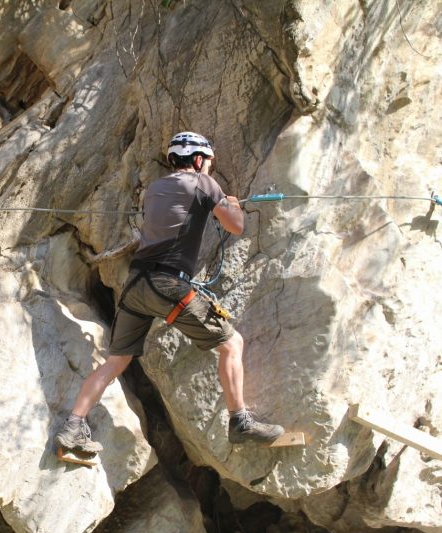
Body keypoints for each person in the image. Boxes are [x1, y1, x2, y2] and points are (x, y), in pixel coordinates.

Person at [55, 132, 284, 454]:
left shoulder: (154, 189)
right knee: (232, 344)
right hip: (167, 285)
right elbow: (235, 226)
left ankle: (73, 425)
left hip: (136, 285)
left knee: (116, 360)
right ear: (199, 160)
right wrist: (232, 205)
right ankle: (240, 422)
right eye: (208, 163)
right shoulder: (204, 185)